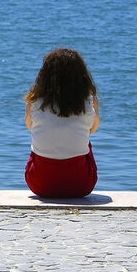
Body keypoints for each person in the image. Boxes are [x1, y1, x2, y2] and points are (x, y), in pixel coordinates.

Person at [24, 48, 100, 198]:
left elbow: (31, 127)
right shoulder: (89, 102)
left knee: (39, 141)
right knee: (86, 143)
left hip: (39, 184)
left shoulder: (34, 102)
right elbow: (92, 129)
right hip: (81, 185)